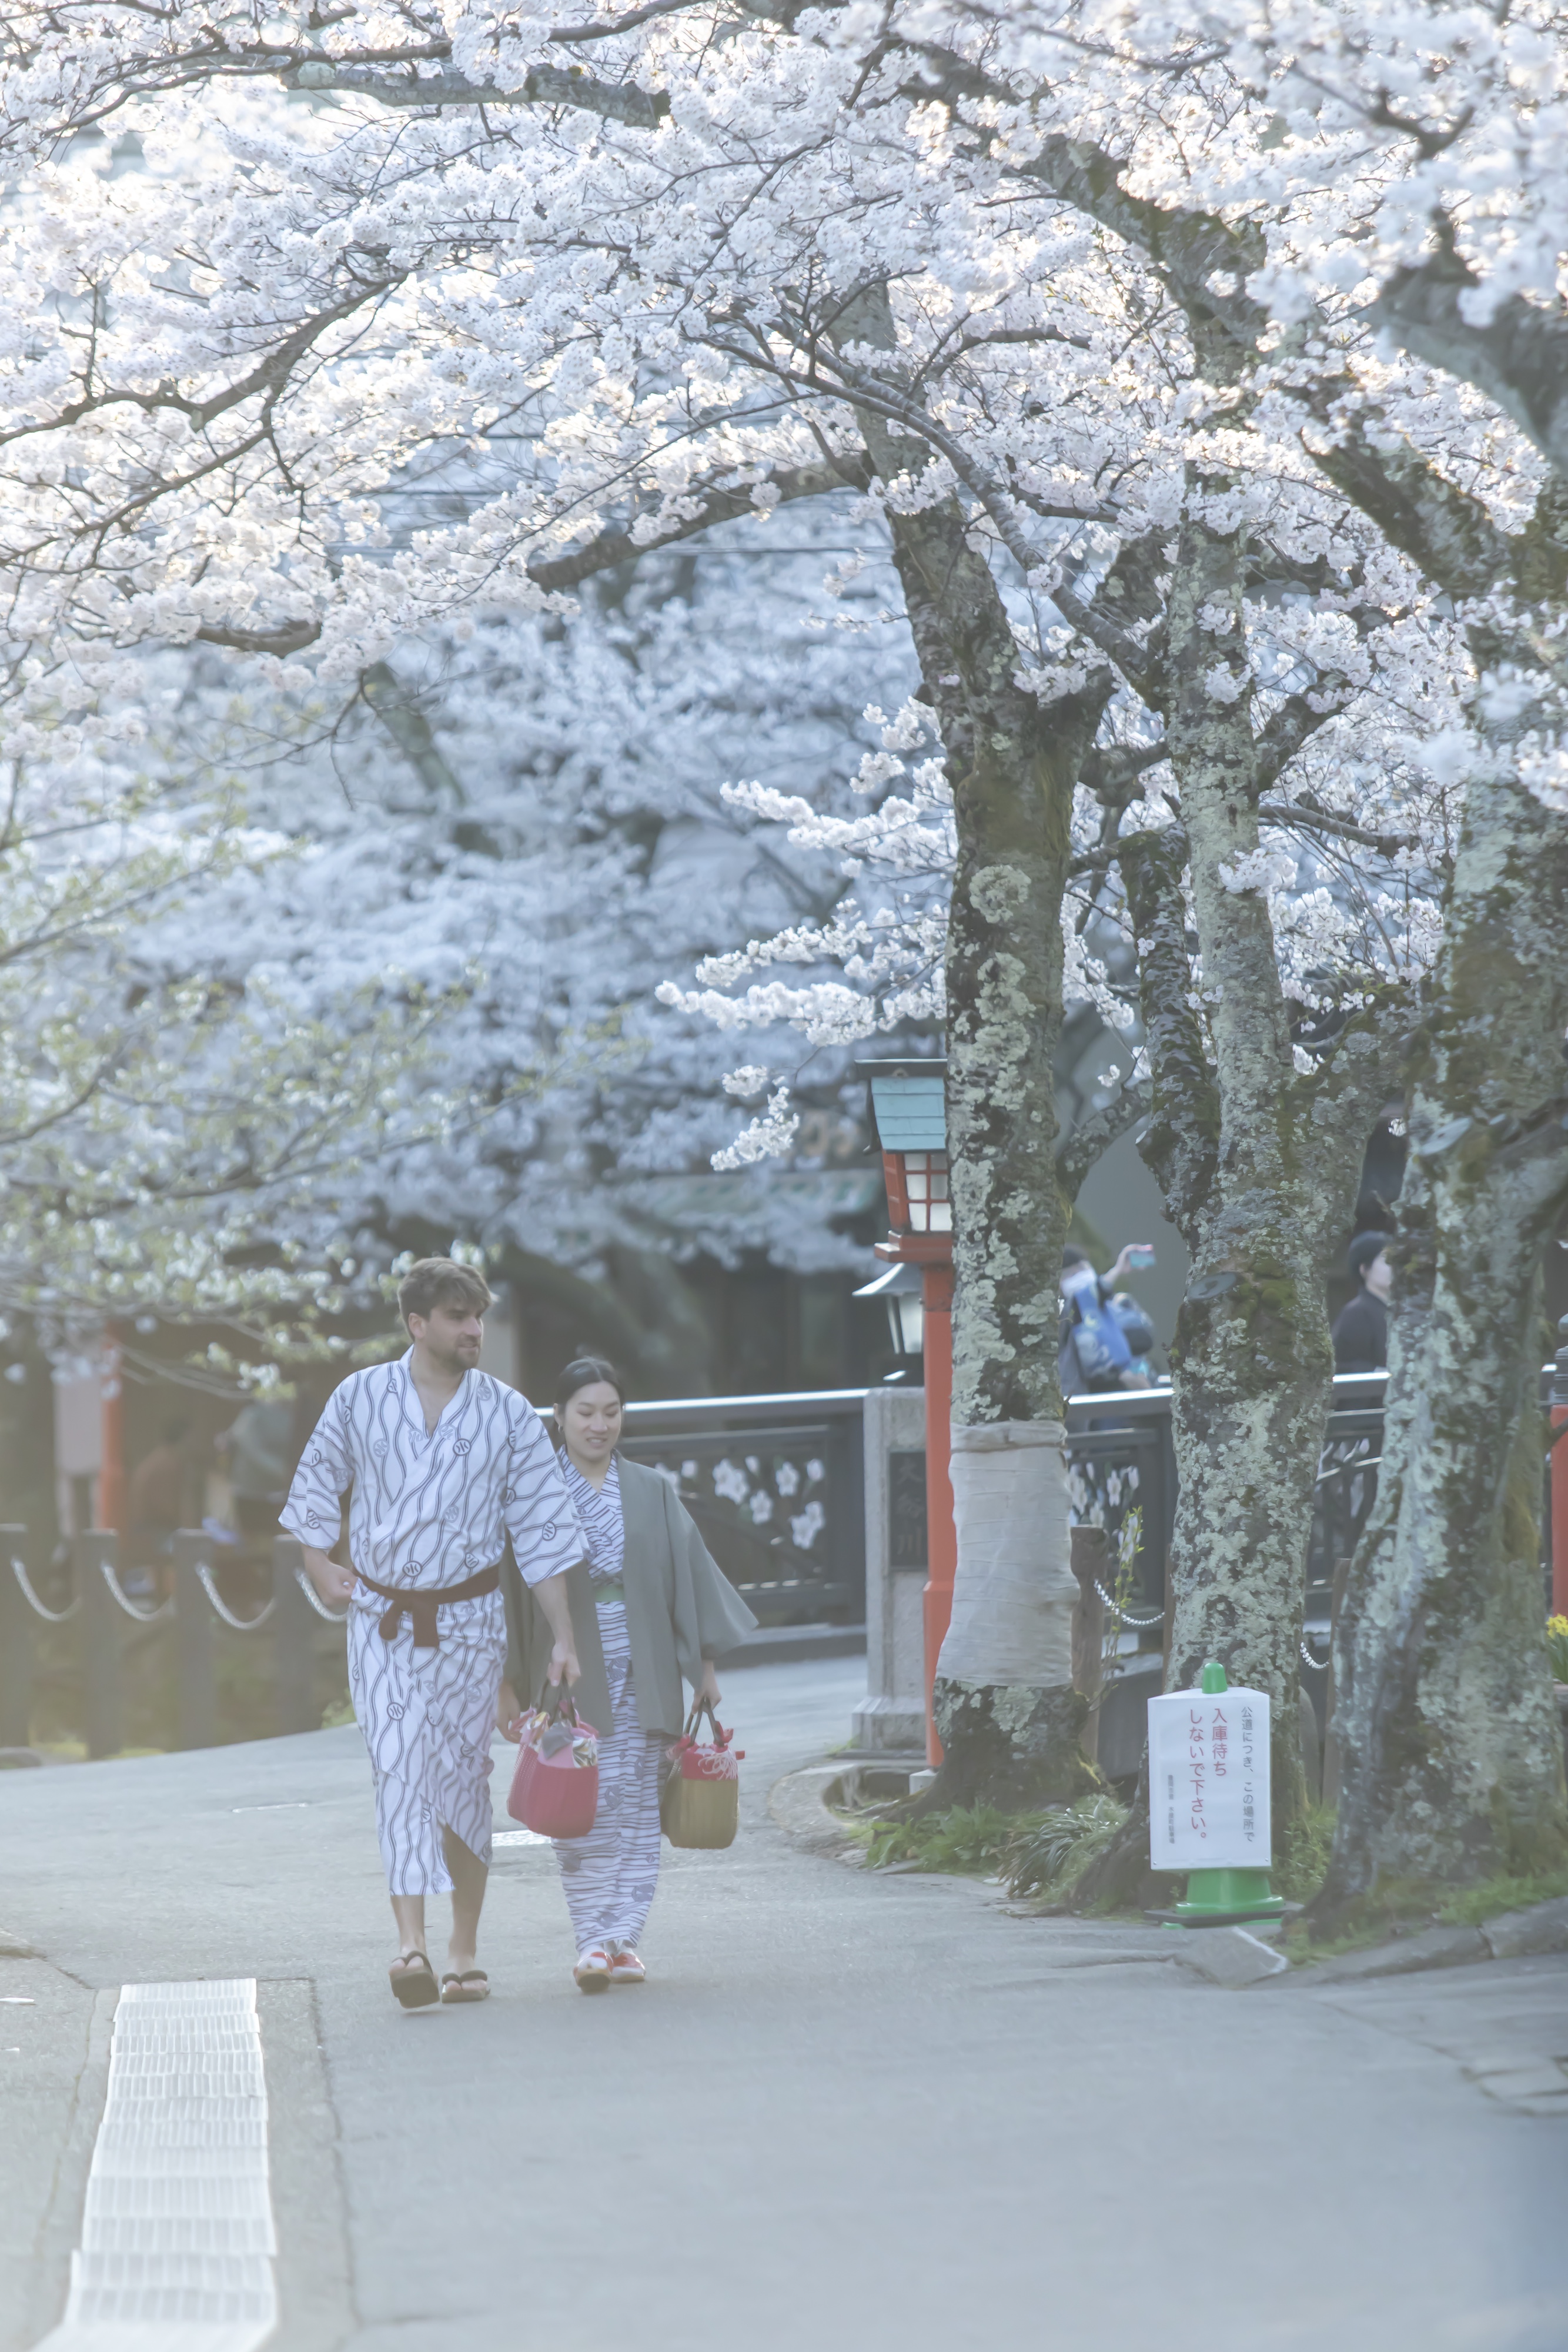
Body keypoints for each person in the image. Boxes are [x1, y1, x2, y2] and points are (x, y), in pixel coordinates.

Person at [282, 1259, 584, 2011]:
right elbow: (318, 1479)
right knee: (398, 1768)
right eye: (457, 1317)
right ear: (418, 1325)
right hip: (383, 1618)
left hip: (471, 1619)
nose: (473, 1329)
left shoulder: (510, 1413)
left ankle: (463, 1948)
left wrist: (562, 1637)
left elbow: (543, 1532)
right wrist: (318, 1562)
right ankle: (410, 1945)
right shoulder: (360, 1397)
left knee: (461, 1781)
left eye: (478, 1315)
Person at [500, 1356, 757, 1993]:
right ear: (557, 1417)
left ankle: (623, 1940)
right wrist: (505, 1683)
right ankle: (591, 1936)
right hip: (564, 1669)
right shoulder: (535, 1491)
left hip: (644, 1662)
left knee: (641, 1803)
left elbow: (689, 1576)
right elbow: (510, 1592)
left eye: (611, 1412)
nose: (599, 1425)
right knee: (579, 1798)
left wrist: (704, 1665)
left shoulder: (650, 1489)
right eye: (585, 1412)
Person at [1059, 1244, 1158, 1397]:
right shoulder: (1065, 1316)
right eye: (1070, 1274)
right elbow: (1092, 1294)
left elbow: (1144, 1340)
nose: (1079, 1275)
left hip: (1143, 1385)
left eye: (1082, 1268)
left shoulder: (1121, 1303)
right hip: (1099, 1399)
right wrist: (1118, 1269)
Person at [1332, 1231, 1394, 1373]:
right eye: (1387, 1261)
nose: (1395, 1268)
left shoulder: (1399, 1311)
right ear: (1364, 1269)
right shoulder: (1356, 1313)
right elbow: (1343, 1367)